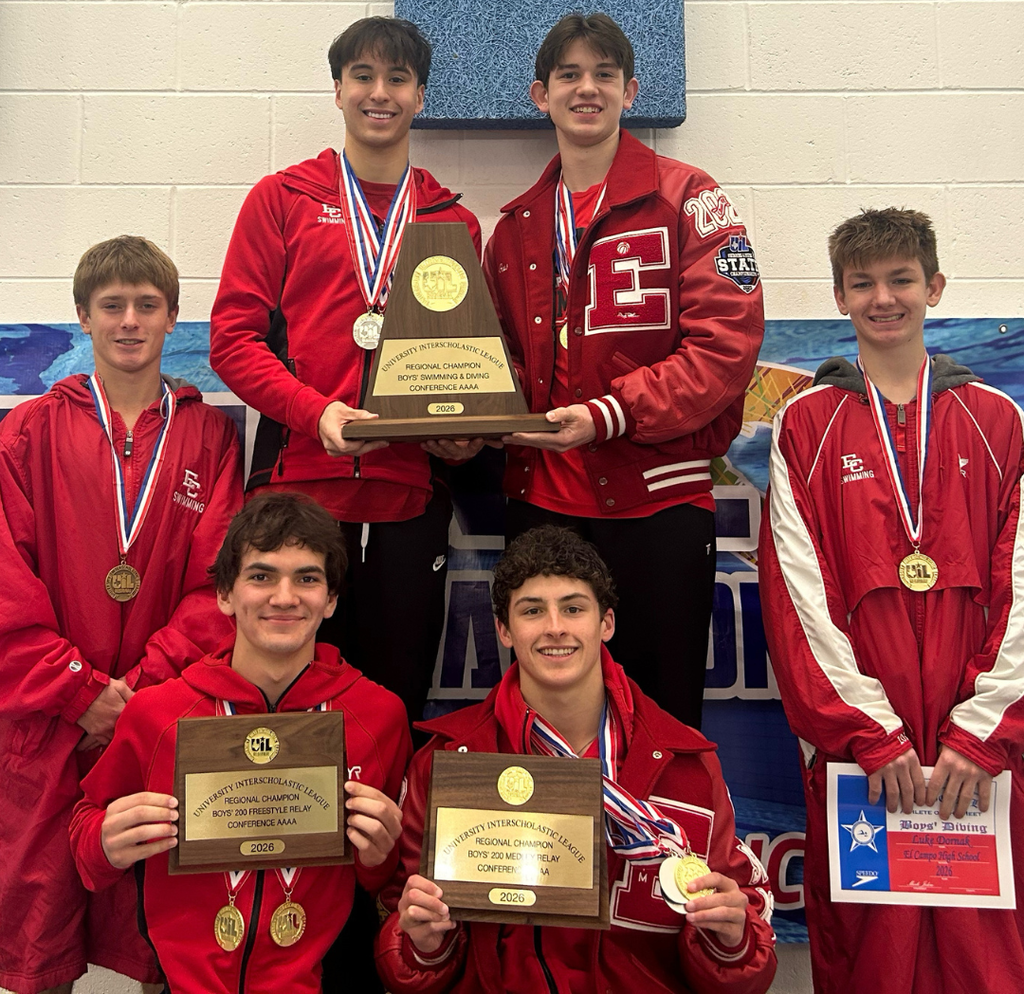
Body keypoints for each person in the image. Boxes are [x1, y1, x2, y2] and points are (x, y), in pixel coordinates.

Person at [758, 208, 1024, 993]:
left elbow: (1023, 584)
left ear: (933, 287)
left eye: (901, 279)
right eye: (863, 282)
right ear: (840, 296)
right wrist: (867, 734)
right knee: (870, 953)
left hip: (977, 741)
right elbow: (798, 595)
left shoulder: (999, 421)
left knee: (986, 955)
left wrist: (984, 729)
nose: (884, 297)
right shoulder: (805, 424)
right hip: (862, 752)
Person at [483, 13, 763, 730]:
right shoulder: (514, 226)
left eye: (604, 74)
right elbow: (500, 362)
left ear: (631, 91)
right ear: (538, 94)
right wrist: (468, 419)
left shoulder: (691, 198)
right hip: (541, 505)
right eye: (569, 75)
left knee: (661, 714)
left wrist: (611, 413)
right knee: (544, 718)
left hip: (656, 506)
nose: (587, 88)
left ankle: (664, 848)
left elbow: (726, 347)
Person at [209, 16, 482, 726]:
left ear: (421, 95)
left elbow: (471, 366)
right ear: (337, 90)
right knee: (283, 711)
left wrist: (466, 430)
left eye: (398, 78)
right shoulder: (282, 199)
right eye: (363, 76)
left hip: (406, 498)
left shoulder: (454, 221)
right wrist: (316, 412)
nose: (379, 93)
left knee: (392, 707)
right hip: (297, 494)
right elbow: (233, 341)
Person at [375, 525, 776, 993]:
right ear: (504, 630)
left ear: (606, 623)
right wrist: (425, 943)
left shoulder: (685, 763)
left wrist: (728, 939)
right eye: (532, 611)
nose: (555, 627)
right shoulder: (447, 762)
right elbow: (408, 966)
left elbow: (743, 972)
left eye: (573, 608)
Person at [0, 236, 242, 994]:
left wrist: (140, 695)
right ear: (83, 317)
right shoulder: (28, 431)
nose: (130, 321)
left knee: (162, 926)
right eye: (113, 306)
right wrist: (80, 692)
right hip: (50, 722)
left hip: (160, 715)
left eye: (147, 305)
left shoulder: (209, 435)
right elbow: (4, 583)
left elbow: (220, 586)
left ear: (173, 318)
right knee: (43, 934)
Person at [70, 493, 411, 994]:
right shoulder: (156, 713)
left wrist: (380, 856)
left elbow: (384, 882)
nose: (284, 596)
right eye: (261, 575)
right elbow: (85, 836)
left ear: (332, 599)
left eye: (308, 578)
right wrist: (103, 842)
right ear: (225, 595)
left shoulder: (379, 716)